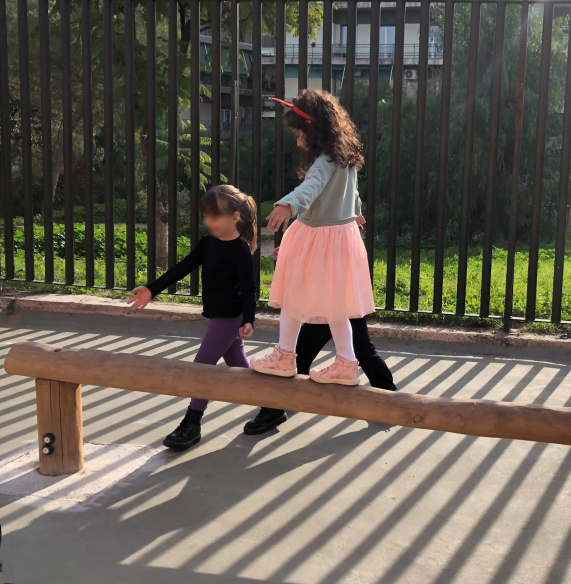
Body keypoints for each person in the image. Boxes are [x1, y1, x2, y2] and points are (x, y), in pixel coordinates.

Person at [249, 90, 375, 385]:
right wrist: (356, 212)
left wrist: (288, 204)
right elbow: (352, 191)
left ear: (313, 129)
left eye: (299, 134)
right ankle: (347, 363)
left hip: (317, 237)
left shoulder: (323, 161)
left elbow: (311, 187)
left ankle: (285, 355)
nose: (297, 141)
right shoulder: (344, 158)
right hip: (341, 237)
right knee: (337, 306)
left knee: (292, 297)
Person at [127, 184, 258, 451]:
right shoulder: (208, 243)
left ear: (235, 217)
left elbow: (249, 287)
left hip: (229, 318)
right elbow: (183, 267)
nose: (209, 222)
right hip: (219, 315)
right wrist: (152, 289)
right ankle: (273, 405)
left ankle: (192, 422)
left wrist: (248, 319)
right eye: (206, 216)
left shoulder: (240, 249)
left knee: (201, 368)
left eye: (215, 216)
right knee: (241, 370)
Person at [244, 246, 395, 434]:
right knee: (299, 356)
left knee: (362, 352)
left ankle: (391, 402)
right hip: (324, 294)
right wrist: (293, 251)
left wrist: (295, 251)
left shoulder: (341, 231)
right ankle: (275, 408)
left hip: (338, 291)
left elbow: (329, 240)